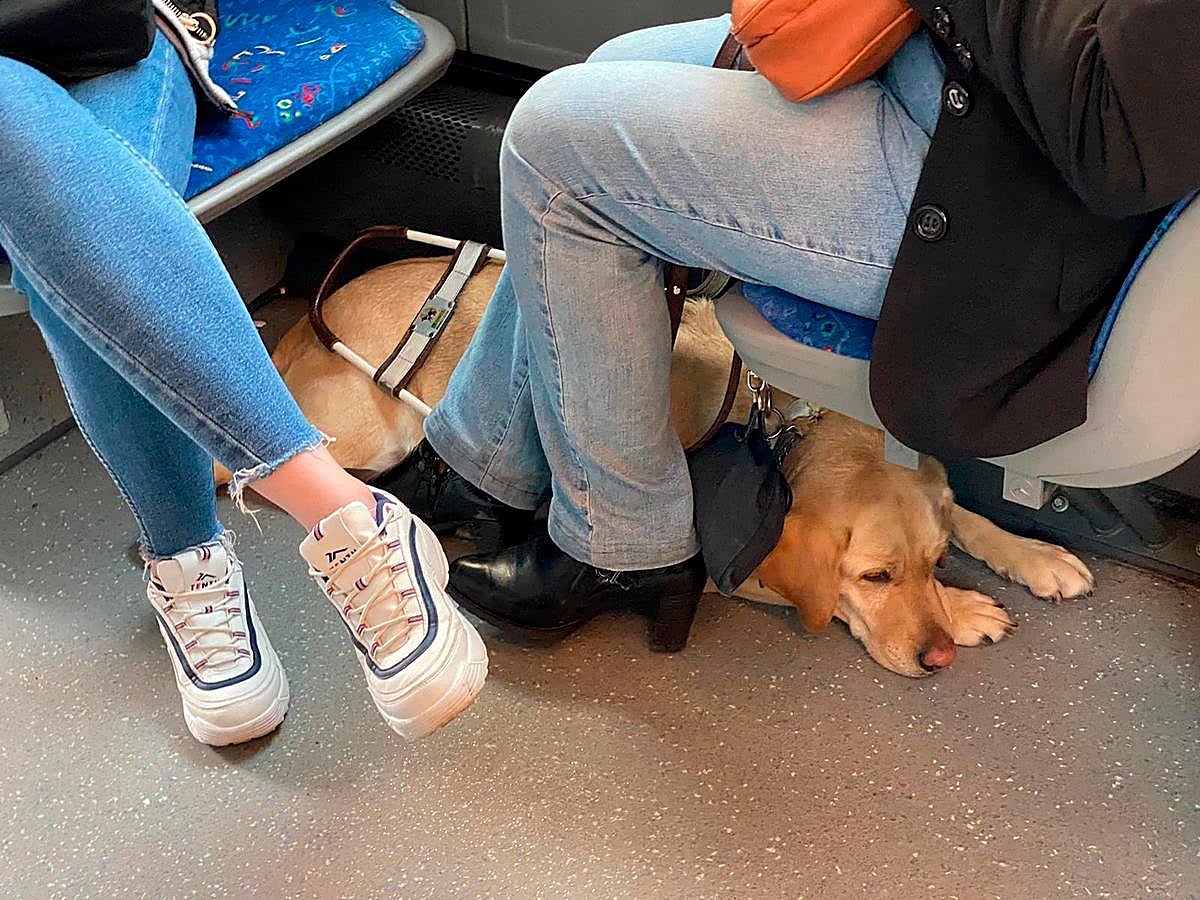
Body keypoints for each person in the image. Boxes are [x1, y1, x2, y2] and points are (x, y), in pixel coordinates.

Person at [384, 6, 1200, 645]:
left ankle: (620, 545)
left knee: (554, 144)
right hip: (958, 90)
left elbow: (1114, 127)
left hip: (1011, 207)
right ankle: (483, 471)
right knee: (613, 71)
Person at [0, 30, 486, 746]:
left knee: (75, 231)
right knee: (62, 225)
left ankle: (186, 557)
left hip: (86, 37)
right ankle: (343, 514)